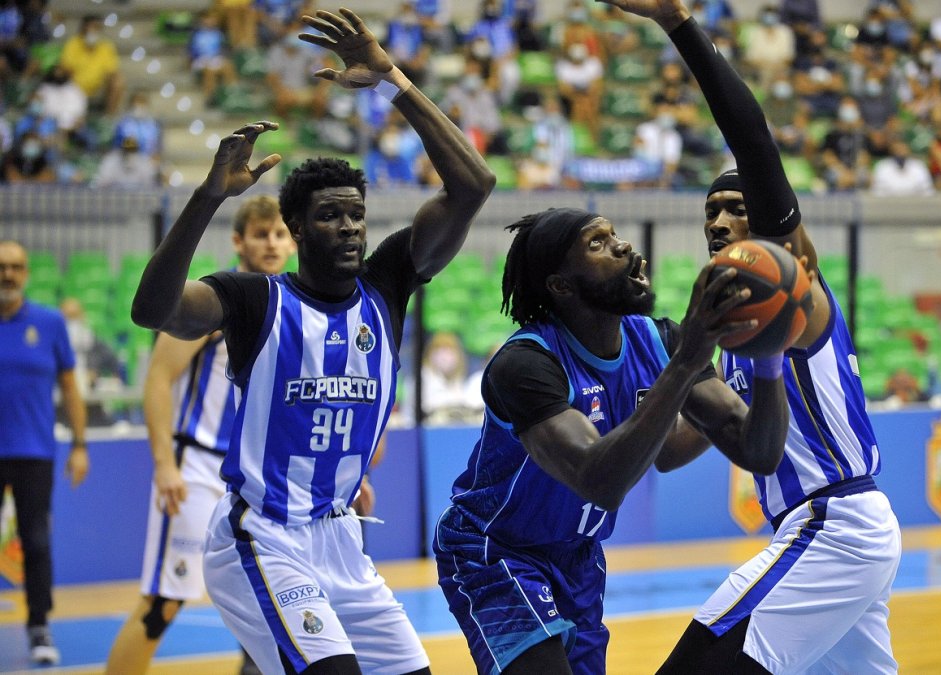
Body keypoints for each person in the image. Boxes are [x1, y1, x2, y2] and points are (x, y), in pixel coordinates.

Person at [128, 8, 494, 673]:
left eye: (356, 213)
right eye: (330, 215)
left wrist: (392, 80)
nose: (350, 227)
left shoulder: (388, 284)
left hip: (343, 540)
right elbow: (153, 309)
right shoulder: (253, 299)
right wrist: (206, 198)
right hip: (262, 536)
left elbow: (475, 184)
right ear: (296, 228)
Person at [603, 1, 901, 672]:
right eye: (710, 211)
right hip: (826, 529)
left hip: (836, 522)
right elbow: (675, 453)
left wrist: (678, 22)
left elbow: (755, 142)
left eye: (735, 208)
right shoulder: (726, 328)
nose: (719, 220)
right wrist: (659, 393)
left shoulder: (793, 274)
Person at [432, 204, 789, 675]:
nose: (622, 245)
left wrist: (768, 357)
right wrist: (685, 365)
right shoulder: (525, 364)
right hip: (495, 550)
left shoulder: (660, 341)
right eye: (597, 243)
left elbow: (756, 452)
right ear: (561, 285)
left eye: (616, 234)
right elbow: (598, 479)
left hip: (577, 557)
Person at [104, 195, 294, 675]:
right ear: (239, 241)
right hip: (199, 469)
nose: (271, 244)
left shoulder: (292, 304)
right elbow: (158, 379)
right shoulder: (216, 298)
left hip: (258, 477)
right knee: (162, 606)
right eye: (260, 234)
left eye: (280, 234)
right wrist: (166, 464)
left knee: (271, 603)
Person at [0, 240, 90, 666]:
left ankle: (38, 625)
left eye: (16, 267)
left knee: (35, 541)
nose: (8, 274)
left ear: (27, 273)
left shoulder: (50, 324)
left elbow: (71, 387)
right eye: (2, 266)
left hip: (34, 452)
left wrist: (79, 444)